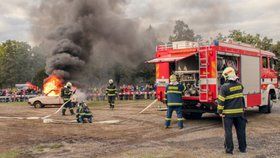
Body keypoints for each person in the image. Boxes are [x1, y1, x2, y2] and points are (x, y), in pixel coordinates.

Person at [217, 67, 247, 154]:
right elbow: (241, 98)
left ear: (226, 76)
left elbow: (221, 101)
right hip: (239, 113)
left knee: (228, 132)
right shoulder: (240, 85)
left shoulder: (224, 88)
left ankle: (229, 150)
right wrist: (243, 108)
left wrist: (220, 112)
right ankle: (243, 149)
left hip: (228, 114)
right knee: (241, 131)